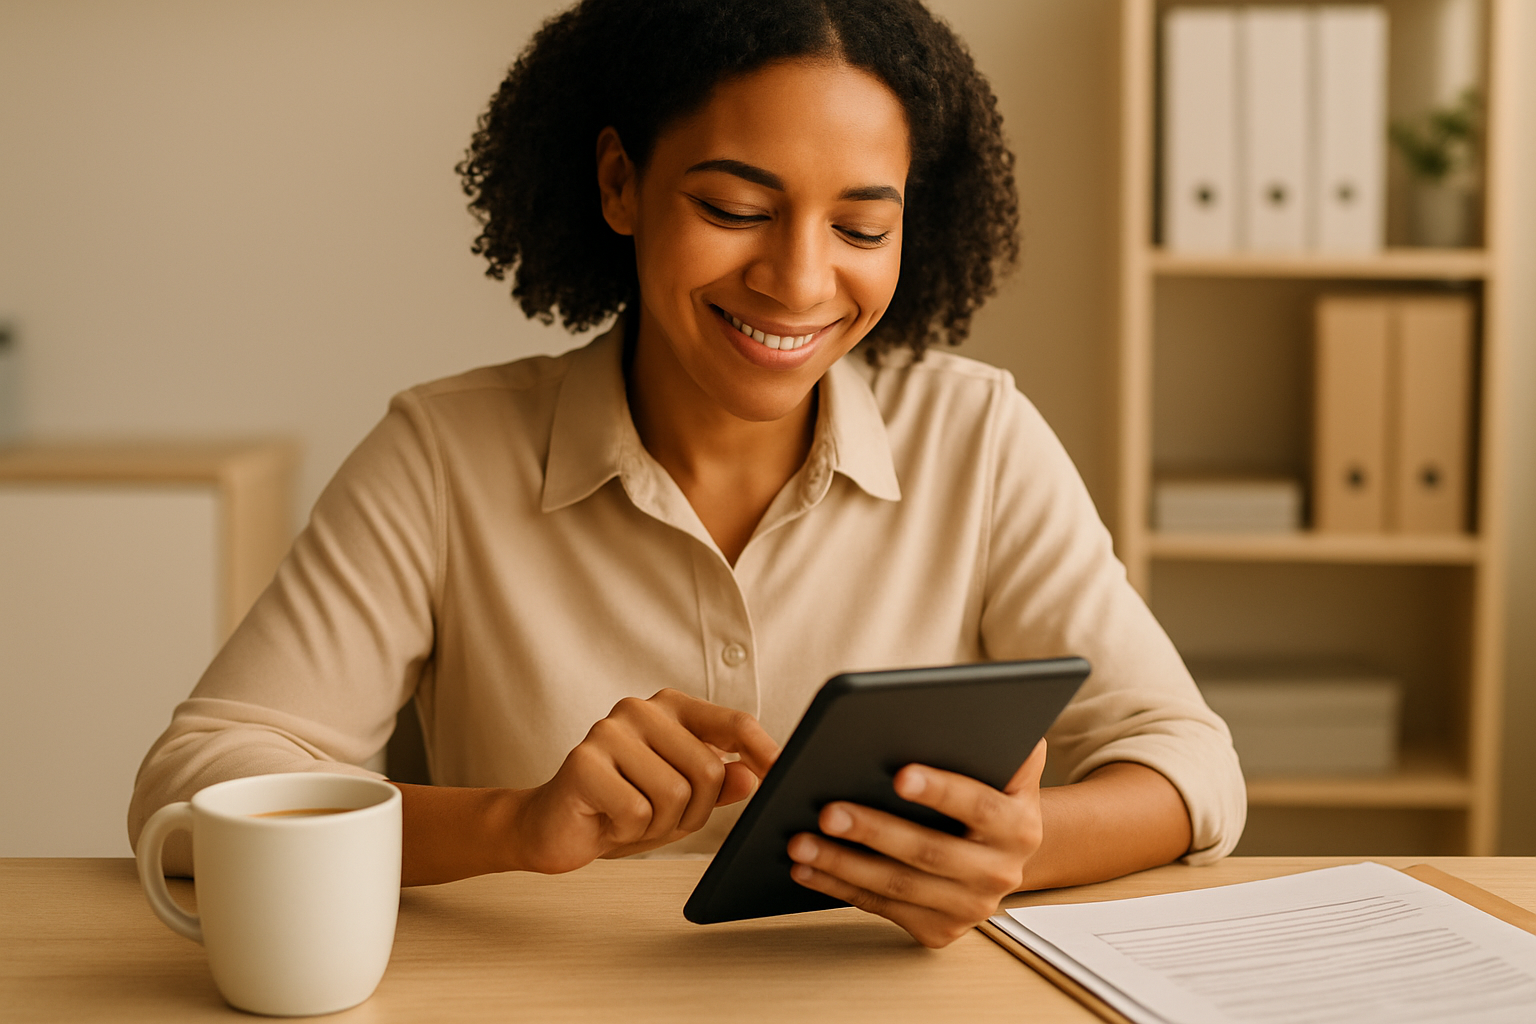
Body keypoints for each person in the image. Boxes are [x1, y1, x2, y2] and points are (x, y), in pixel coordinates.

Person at [129, 0, 1244, 949]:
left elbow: (1190, 762)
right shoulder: (444, 455)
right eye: (735, 210)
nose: (799, 281)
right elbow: (192, 785)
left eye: (862, 228)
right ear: (621, 183)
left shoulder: (978, 437)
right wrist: (516, 823)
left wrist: (1017, 848)